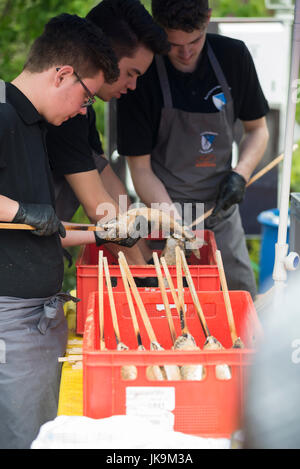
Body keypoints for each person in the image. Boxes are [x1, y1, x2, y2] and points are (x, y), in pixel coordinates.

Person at [0, 13, 119, 449]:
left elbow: (42, 227)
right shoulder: (2, 113)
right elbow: (27, 217)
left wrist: (101, 234)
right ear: (62, 73)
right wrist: (24, 212)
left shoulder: (36, 126)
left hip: (40, 315)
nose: (83, 112)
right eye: (87, 98)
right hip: (10, 319)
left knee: (39, 435)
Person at [116, 0, 270, 299]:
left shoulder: (233, 57)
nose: (185, 53)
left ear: (208, 20)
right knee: (167, 302)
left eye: (195, 40)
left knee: (237, 300)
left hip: (222, 210)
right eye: (173, 44)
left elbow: (258, 130)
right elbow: (140, 169)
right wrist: (174, 223)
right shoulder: (141, 74)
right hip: (163, 212)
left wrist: (241, 174)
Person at [46, 0, 170, 266]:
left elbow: (109, 185)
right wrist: (143, 275)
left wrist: (149, 260)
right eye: (130, 73)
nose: (134, 86)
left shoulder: (83, 110)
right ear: (105, 57)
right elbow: (99, 210)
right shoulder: (64, 112)